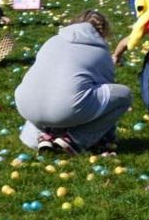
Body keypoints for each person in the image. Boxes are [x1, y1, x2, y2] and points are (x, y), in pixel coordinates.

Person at [14, 8, 131, 154]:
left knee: (50, 89)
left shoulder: (52, 41)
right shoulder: (100, 51)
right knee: (123, 95)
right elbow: (107, 92)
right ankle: (75, 140)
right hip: (63, 109)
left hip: (25, 104)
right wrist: (108, 136)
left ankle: (39, 137)